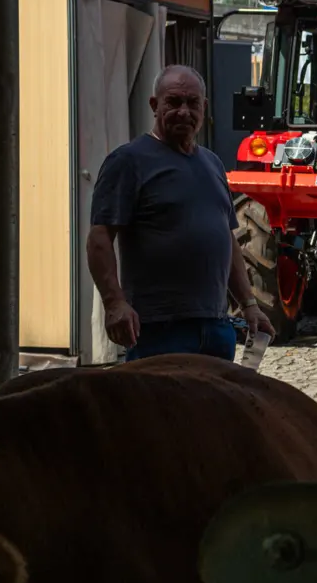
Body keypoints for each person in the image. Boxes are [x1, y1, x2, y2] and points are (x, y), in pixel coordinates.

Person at [86, 65, 274, 362]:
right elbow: (99, 238)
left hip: (215, 327)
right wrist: (114, 303)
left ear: (205, 108)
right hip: (159, 329)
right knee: (157, 409)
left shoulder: (212, 164)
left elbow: (227, 240)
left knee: (211, 410)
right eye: (173, 102)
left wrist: (249, 304)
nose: (184, 112)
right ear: (154, 105)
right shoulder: (128, 161)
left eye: (192, 103)